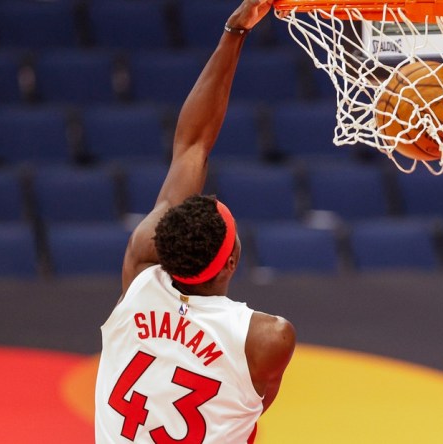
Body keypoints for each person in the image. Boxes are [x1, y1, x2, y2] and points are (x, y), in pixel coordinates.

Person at [94, 1, 295, 442]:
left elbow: (191, 145)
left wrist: (233, 30)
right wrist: (237, 32)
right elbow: (253, 408)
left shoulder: (140, 276)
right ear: (231, 263)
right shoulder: (267, 338)